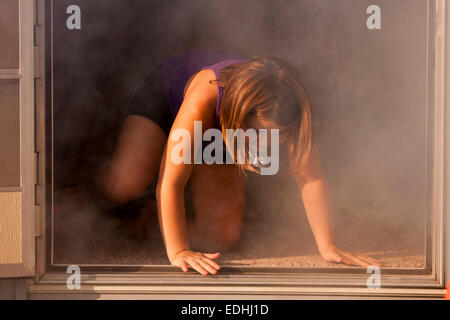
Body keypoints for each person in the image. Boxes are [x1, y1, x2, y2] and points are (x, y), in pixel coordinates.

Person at [96, 49, 381, 275]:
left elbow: (311, 178)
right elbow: (171, 181)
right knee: (124, 184)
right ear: (242, 119)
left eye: (279, 135)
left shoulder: (287, 111)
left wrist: (328, 246)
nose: (271, 143)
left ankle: (144, 218)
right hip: (166, 99)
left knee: (221, 237)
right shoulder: (204, 99)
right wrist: (178, 251)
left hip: (224, 128)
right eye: (263, 133)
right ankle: (88, 193)